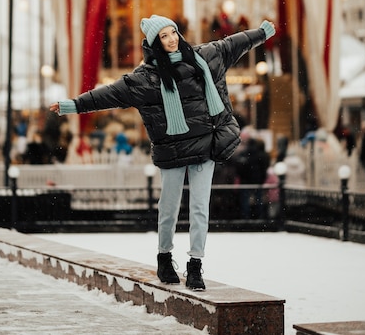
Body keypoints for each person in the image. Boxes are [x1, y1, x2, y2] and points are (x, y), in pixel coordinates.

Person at [50, 14, 275, 290]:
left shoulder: (204, 57)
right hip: (171, 150)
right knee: (168, 208)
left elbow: (232, 44)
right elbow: (107, 94)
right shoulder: (145, 78)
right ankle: (165, 257)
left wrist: (261, 33)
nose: (170, 40)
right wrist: (73, 105)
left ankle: (195, 266)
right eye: (163, 36)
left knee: (199, 209)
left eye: (173, 33)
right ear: (154, 42)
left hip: (205, 146)